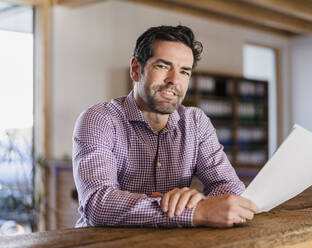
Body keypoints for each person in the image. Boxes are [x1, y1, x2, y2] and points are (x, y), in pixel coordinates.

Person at [72, 25, 258, 228]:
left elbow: (230, 186)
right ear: (136, 69)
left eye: (184, 72)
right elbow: (98, 205)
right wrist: (198, 211)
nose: (174, 81)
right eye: (162, 66)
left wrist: (196, 204)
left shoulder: (196, 122)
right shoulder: (99, 119)